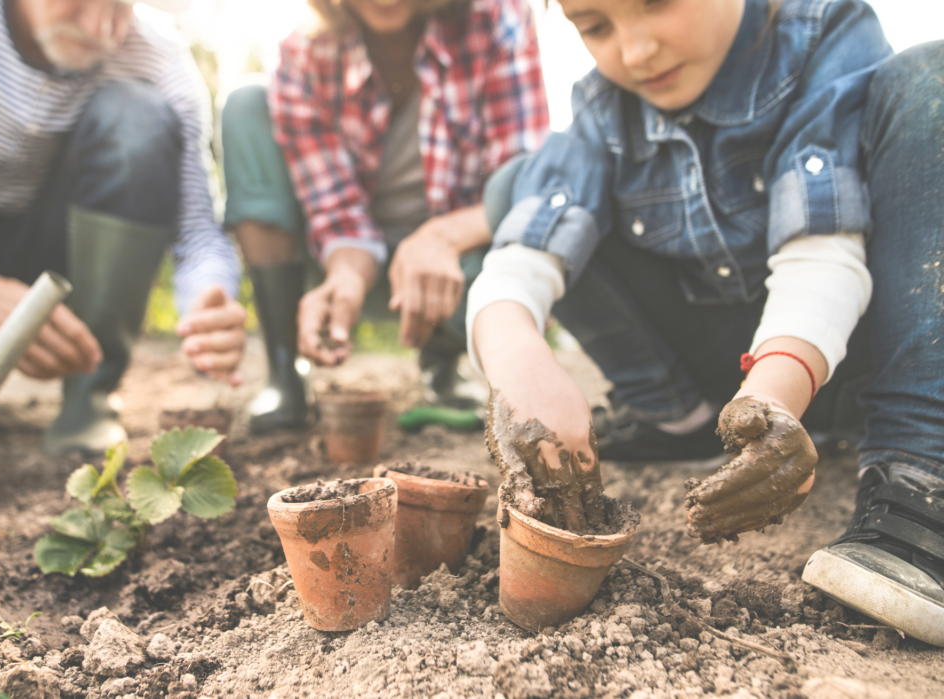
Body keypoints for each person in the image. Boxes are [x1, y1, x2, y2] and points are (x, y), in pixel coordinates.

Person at [468, 0, 943, 645]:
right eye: (595, 25)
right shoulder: (605, 104)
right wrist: (520, 362)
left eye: (655, 4)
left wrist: (775, 395)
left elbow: (822, 253)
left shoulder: (823, 33)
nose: (634, 52)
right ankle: (679, 420)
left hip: (856, 351)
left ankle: (919, 473)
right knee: (517, 190)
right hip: (729, 369)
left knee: (931, 78)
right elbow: (524, 255)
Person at [0, 0, 247, 456]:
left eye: (122, 5)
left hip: (60, 247)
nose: (100, 28)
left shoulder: (158, 56)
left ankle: (89, 396)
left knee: (138, 117)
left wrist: (209, 295)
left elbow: (197, 233)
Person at [220, 0, 549, 433]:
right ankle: (285, 367)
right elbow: (336, 213)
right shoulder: (305, 54)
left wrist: (441, 239)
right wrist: (347, 277)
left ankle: (444, 357)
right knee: (246, 103)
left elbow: (524, 184)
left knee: (521, 250)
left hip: (461, 263)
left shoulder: (498, 19)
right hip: (356, 263)